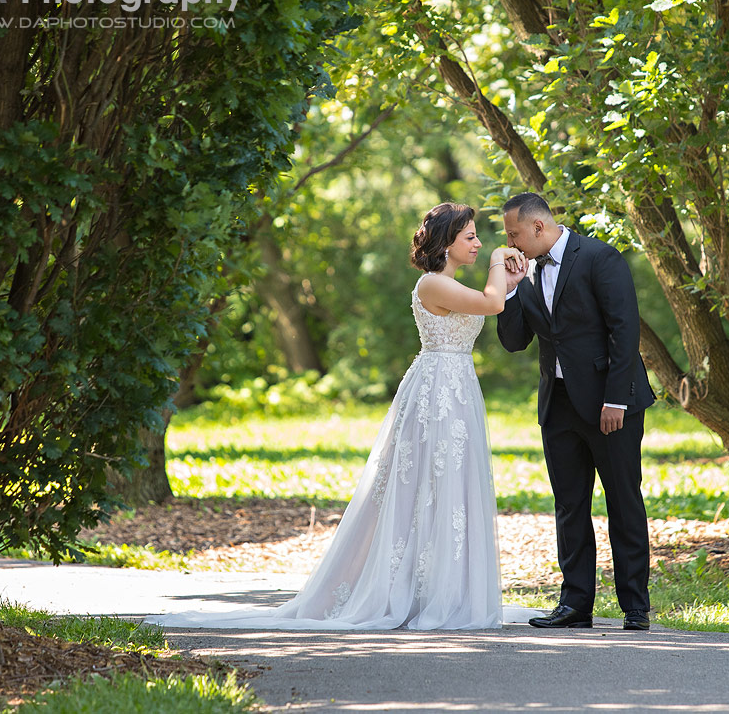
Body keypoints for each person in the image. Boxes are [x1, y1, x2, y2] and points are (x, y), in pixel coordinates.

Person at [144, 203, 526, 630]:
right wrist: (498, 261)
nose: (477, 243)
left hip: (457, 390)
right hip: (436, 392)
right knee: (420, 486)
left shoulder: (453, 286)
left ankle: (443, 590)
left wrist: (507, 281)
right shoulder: (431, 284)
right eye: (470, 236)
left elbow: (490, 300)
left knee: (451, 487)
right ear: (447, 242)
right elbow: (492, 304)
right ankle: (403, 591)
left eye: (477, 237)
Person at [496, 192, 655, 631]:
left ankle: (635, 607)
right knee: (569, 505)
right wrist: (510, 292)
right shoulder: (524, 272)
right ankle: (576, 604)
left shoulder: (600, 258)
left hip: (611, 402)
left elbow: (625, 330)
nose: (510, 243)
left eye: (513, 234)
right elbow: (514, 342)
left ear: (538, 228)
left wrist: (616, 399)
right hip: (559, 404)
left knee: (623, 500)